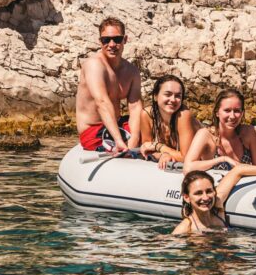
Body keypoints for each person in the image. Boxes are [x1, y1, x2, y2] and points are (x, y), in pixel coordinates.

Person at [75, 17, 142, 153]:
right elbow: (102, 102)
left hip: (117, 125)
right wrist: (119, 141)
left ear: (125, 40)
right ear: (100, 41)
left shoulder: (132, 71)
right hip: (94, 130)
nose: (111, 44)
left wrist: (135, 137)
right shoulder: (94, 65)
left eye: (117, 39)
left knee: (150, 119)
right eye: (106, 40)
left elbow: (135, 107)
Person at [172, 165, 256, 235]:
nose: (205, 197)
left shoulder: (217, 204)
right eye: (198, 193)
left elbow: (238, 170)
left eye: (209, 191)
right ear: (187, 197)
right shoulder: (185, 228)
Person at [183, 89, 256, 173]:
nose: (232, 116)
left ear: (242, 113)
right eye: (227, 110)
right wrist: (222, 159)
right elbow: (187, 168)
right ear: (217, 112)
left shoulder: (250, 133)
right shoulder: (205, 135)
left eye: (237, 111)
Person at [139, 75, 200, 169]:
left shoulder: (183, 115)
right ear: (155, 96)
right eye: (167, 94)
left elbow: (186, 157)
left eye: (178, 96)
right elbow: (146, 149)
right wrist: (163, 155)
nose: (173, 100)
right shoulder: (146, 115)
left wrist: (159, 147)